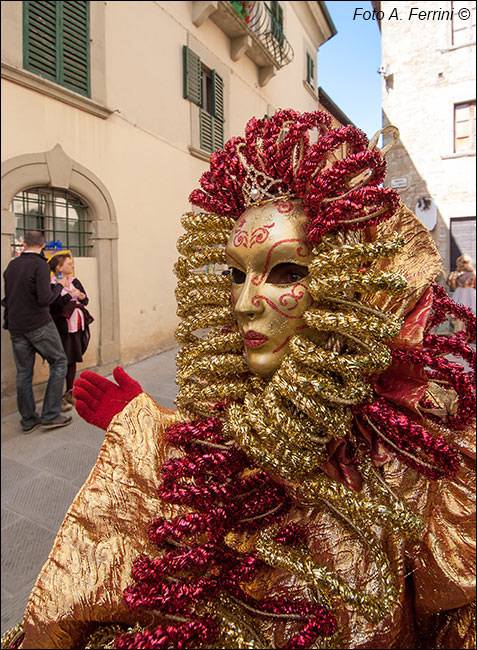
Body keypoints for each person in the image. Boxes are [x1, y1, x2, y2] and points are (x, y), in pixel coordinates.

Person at [3, 112, 475, 650]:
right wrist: (145, 425)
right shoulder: (246, 401)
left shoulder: (421, 454)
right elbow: (229, 456)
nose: (244, 305)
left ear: (356, 286)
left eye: (287, 273)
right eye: (235, 274)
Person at [2, 231, 73, 433]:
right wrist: (58, 287)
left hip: (16, 326)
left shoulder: (12, 265)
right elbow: (44, 299)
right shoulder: (41, 265)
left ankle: (28, 421)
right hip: (38, 324)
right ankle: (51, 415)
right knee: (59, 361)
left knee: (23, 373)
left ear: (24, 244)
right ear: (42, 245)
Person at [48, 252, 94, 406]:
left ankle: (69, 391)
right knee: (61, 360)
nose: (72, 265)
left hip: (77, 327)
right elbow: (53, 306)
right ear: (59, 267)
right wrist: (69, 296)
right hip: (62, 328)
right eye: (69, 263)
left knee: (72, 358)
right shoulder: (52, 284)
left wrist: (80, 297)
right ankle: (57, 396)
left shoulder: (75, 281)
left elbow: (86, 300)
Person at [447, 254, 476, 332]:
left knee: (463, 311)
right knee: (463, 311)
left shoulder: (456, 274)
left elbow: (451, 283)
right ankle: (462, 331)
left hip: (464, 292)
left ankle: (463, 331)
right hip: (465, 292)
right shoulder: (471, 273)